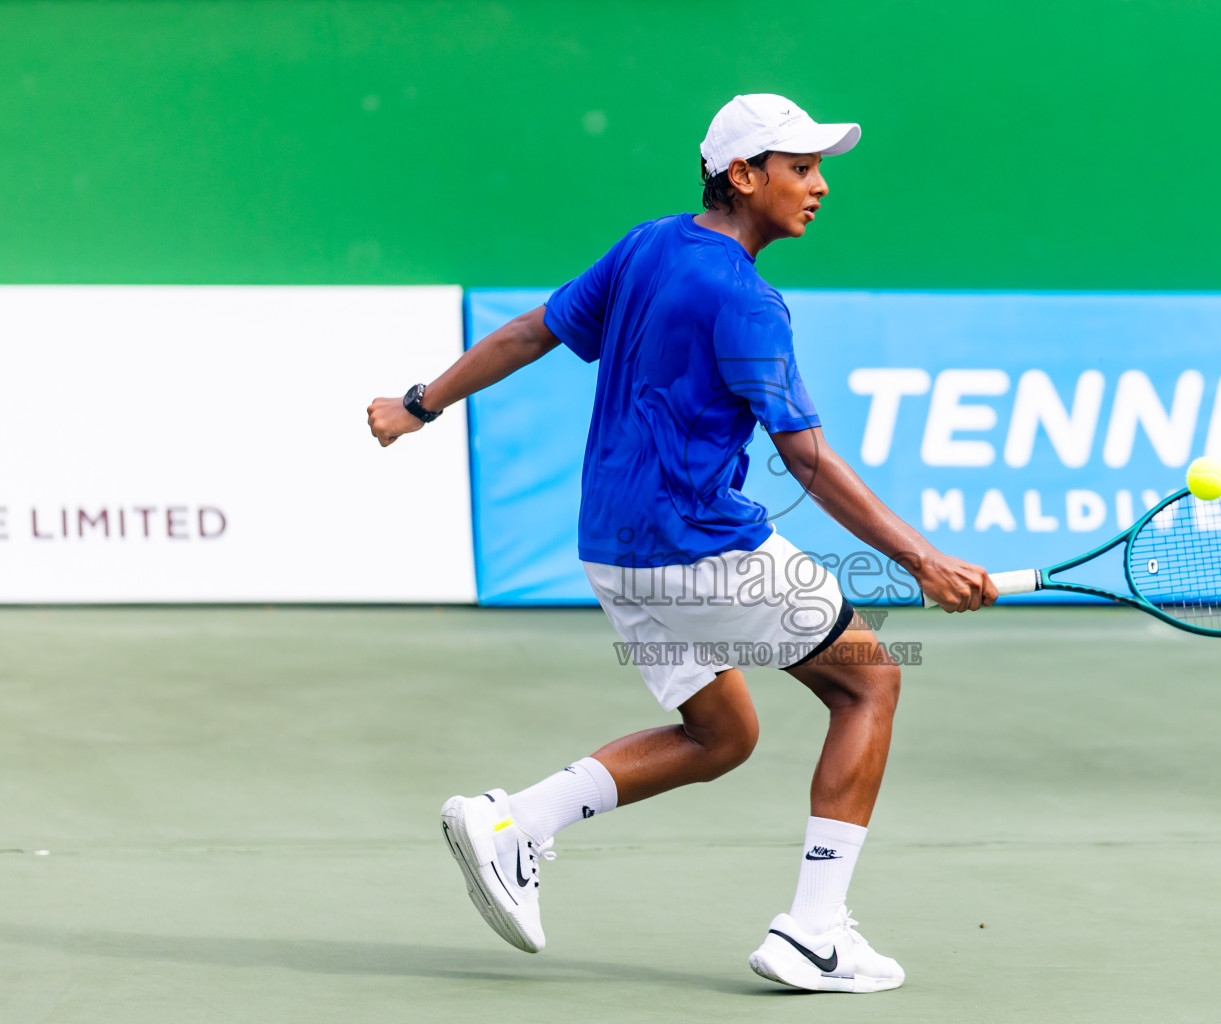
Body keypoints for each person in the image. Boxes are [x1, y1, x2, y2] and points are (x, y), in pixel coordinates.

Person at [366, 93, 996, 994]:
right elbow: (807, 459)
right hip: (694, 545)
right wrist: (921, 560)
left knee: (722, 732)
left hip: (611, 549)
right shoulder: (746, 299)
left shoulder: (647, 244)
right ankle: (815, 933)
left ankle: (514, 825)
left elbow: (527, 332)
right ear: (744, 175)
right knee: (870, 679)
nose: (820, 187)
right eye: (800, 168)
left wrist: (420, 403)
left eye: (821, 169)